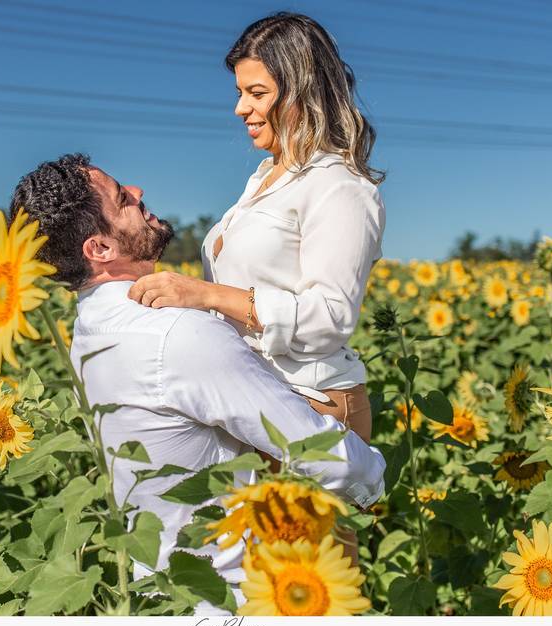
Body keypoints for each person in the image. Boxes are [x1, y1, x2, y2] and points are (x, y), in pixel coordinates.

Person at [9, 153, 386, 616]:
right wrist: (376, 476)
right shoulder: (178, 335)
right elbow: (326, 459)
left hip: (162, 595)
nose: (140, 192)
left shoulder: (88, 337)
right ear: (100, 249)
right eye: (122, 199)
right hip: (239, 599)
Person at [127, 12, 385, 449]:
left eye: (257, 92)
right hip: (258, 400)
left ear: (304, 92)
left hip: (311, 406)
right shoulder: (267, 179)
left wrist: (204, 294)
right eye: (240, 92)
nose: (240, 107)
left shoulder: (340, 186)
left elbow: (330, 317)